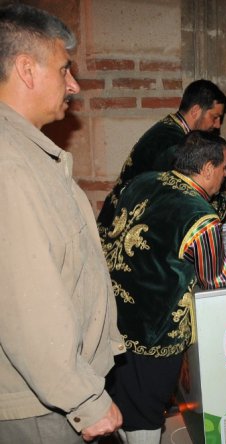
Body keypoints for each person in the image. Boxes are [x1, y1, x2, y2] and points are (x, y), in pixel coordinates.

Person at [0, 4, 124, 442]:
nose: (72, 85)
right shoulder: (9, 165)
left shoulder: (27, 150)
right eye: (64, 69)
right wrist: (84, 399)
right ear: (27, 69)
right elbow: (26, 304)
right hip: (40, 405)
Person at [101, 131, 226, 443]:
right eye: (224, 167)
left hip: (112, 319)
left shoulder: (144, 181)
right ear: (206, 169)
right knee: (147, 413)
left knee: (121, 401)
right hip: (154, 336)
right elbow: (217, 284)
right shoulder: (201, 217)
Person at [97, 79, 226, 232]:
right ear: (196, 111)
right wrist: (223, 201)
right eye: (214, 117)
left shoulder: (170, 128)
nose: (217, 125)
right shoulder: (174, 143)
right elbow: (181, 203)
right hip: (125, 229)